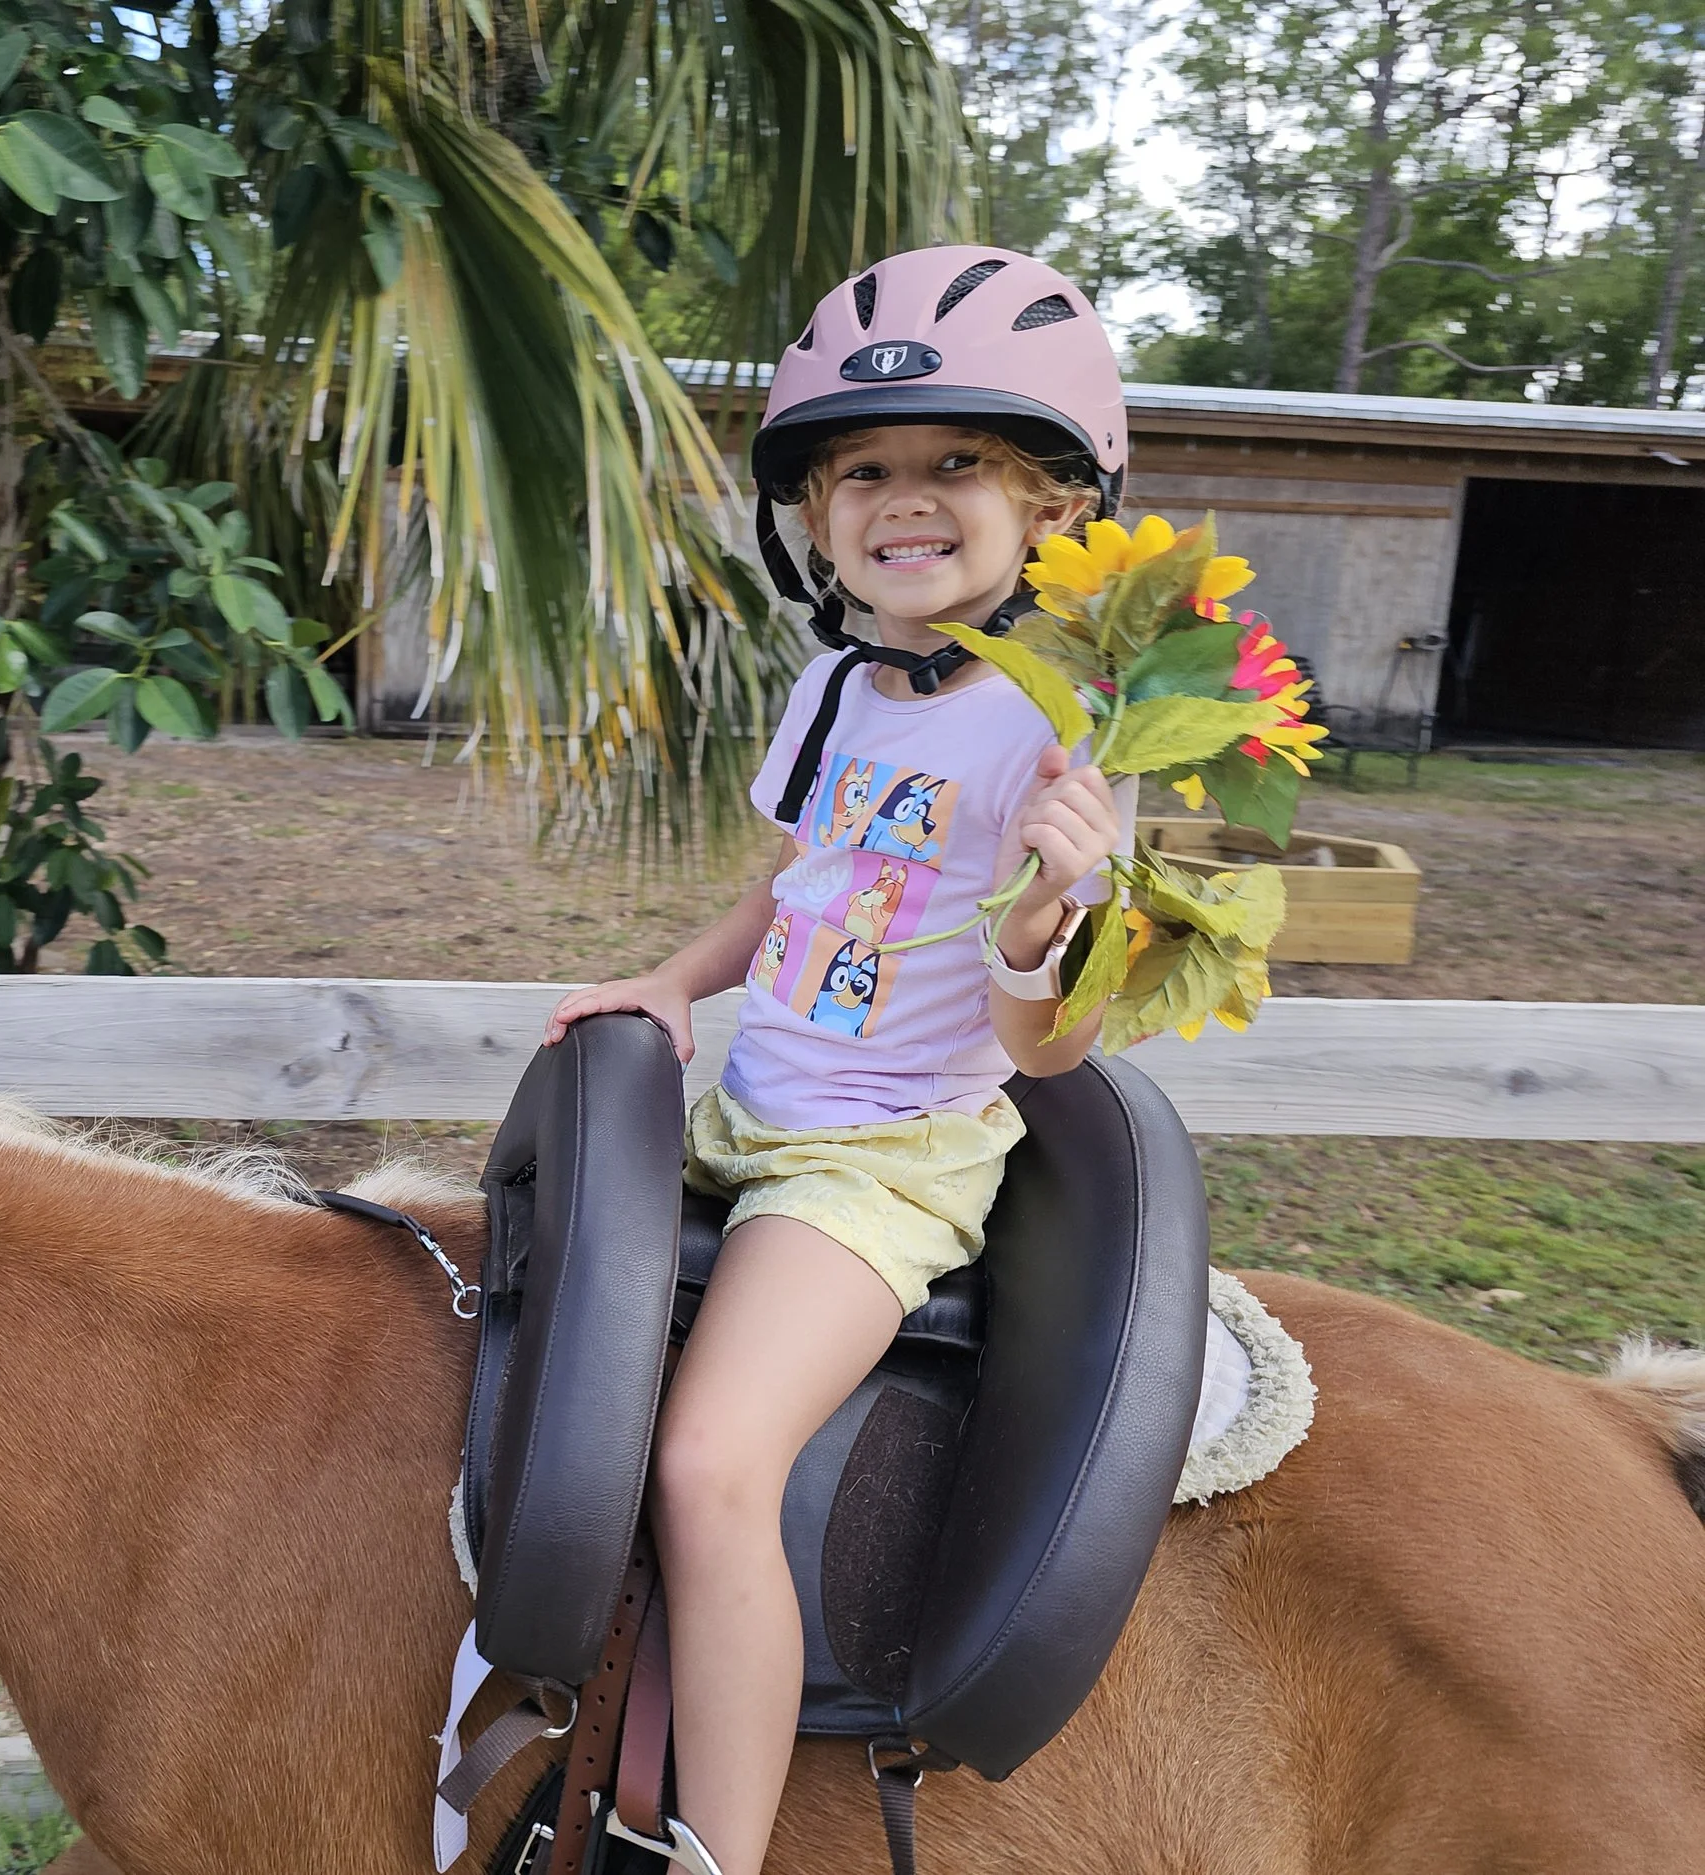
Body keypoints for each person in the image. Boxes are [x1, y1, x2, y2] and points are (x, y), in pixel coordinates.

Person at [542, 245, 1136, 1875]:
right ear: (814, 517)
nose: (905, 498)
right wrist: (671, 982)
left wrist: (1050, 910)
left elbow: (1055, 1037)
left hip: (882, 1152)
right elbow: (801, 885)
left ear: (1053, 507)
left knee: (710, 1457)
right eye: (862, 468)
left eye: (960, 464)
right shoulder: (834, 688)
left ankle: (714, 1856)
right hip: (749, 1106)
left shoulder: (1060, 725)